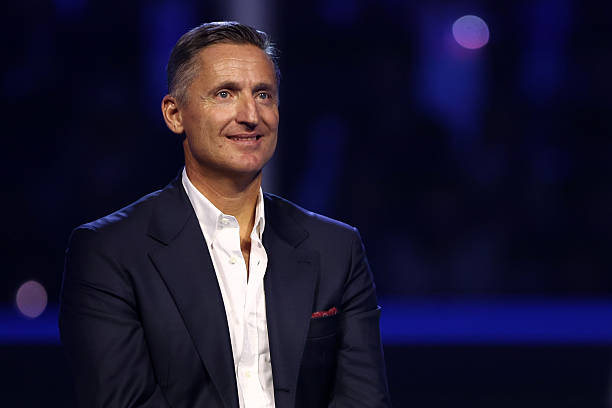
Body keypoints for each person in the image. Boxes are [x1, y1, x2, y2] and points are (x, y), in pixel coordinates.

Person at [59, 21, 391, 408]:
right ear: (174, 114)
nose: (251, 115)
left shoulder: (336, 248)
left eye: (263, 95)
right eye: (224, 94)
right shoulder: (109, 252)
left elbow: (364, 400)